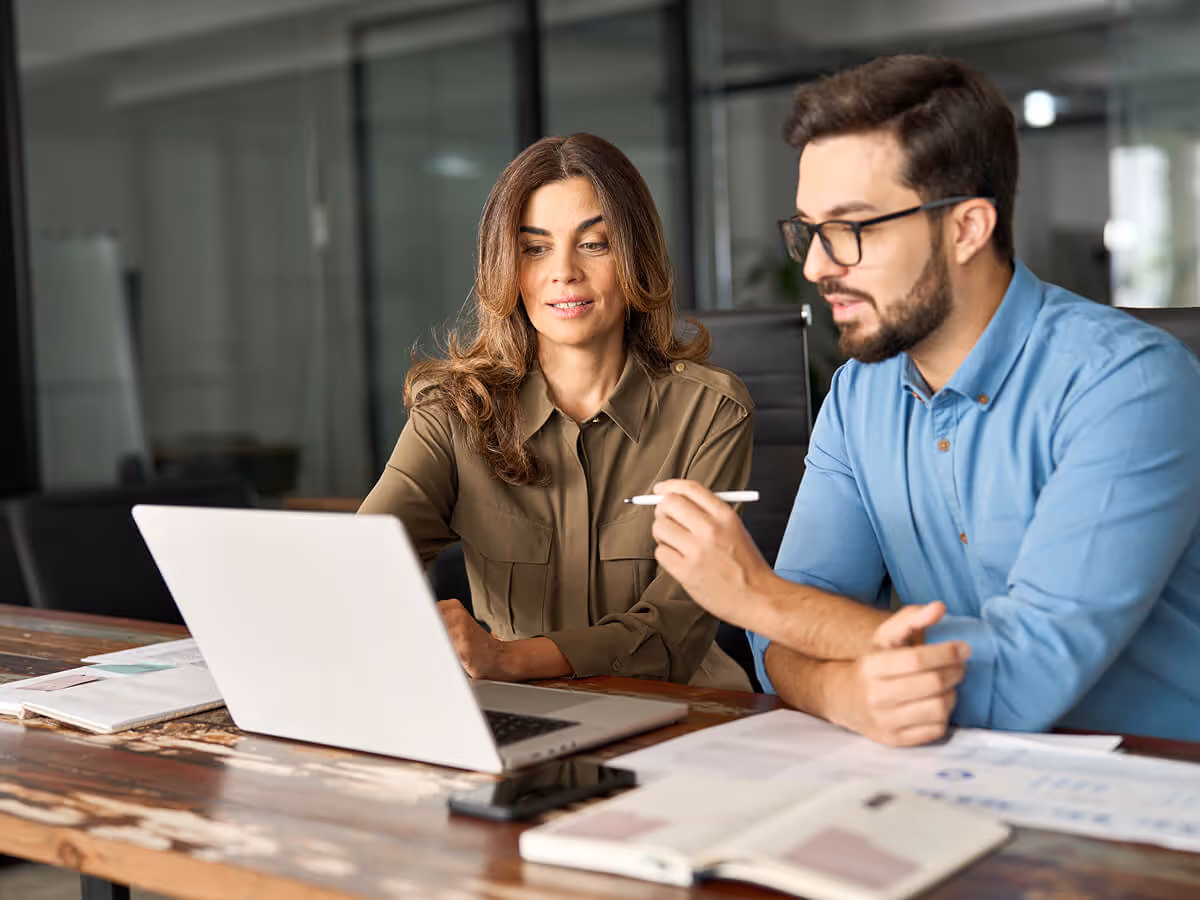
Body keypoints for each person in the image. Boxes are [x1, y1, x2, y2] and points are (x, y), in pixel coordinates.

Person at [648, 55, 1200, 743]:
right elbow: (780, 644)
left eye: (852, 228)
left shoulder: (1130, 385)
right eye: (808, 231)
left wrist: (757, 596)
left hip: (1152, 794)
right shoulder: (859, 395)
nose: (817, 265)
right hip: (952, 780)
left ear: (966, 228)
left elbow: (1022, 680)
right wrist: (841, 691)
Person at [360, 133, 754, 691]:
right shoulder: (452, 413)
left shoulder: (710, 411)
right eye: (535, 248)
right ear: (507, 264)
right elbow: (365, 560)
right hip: (516, 714)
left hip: (682, 711)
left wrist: (508, 659)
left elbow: (675, 626)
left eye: (594, 244)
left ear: (635, 256)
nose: (563, 272)